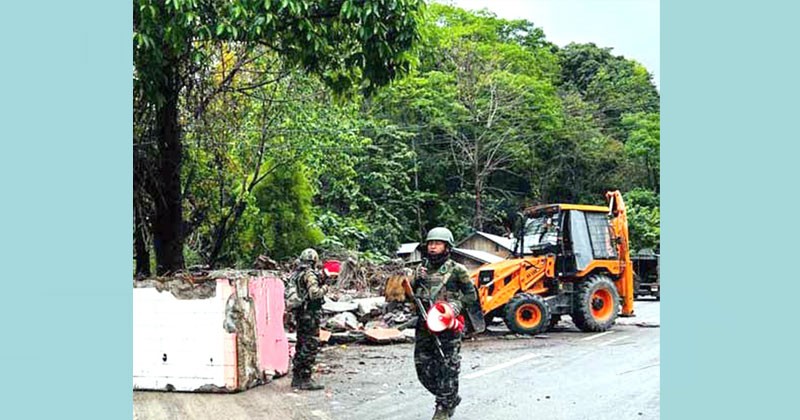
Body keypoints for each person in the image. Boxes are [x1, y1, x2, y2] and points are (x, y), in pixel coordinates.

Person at [411, 227, 478, 419]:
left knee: (448, 366)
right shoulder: (420, 269)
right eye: (430, 244)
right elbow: (408, 293)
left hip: (447, 325)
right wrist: (416, 279)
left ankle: (444, 405)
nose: (433, 247)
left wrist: (456, 307)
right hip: (424, 324)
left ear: (447, 247)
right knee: (422, 367)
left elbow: (471, 295)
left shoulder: (457, 270)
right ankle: (450, 397)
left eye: (437, 244)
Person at [290, 248, 328, 391]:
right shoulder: (309, 274)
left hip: (300, 313)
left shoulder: (296, 274)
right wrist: (325, 288)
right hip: (310, 314)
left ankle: (296, 378)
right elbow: (314, 294)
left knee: (301, 343)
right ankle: (305, 378)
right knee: (310, 344)